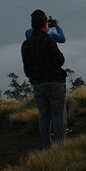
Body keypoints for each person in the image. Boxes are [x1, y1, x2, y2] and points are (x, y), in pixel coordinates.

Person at [21, 9, 67, 150]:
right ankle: (61, 147)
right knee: (58, 115)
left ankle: (46, 147)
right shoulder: (48, 40)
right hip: (54, 82)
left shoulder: (26, 44)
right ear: (44, 23)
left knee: (43, 115)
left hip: (37, 84)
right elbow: (60, 60)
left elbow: (26, 68)